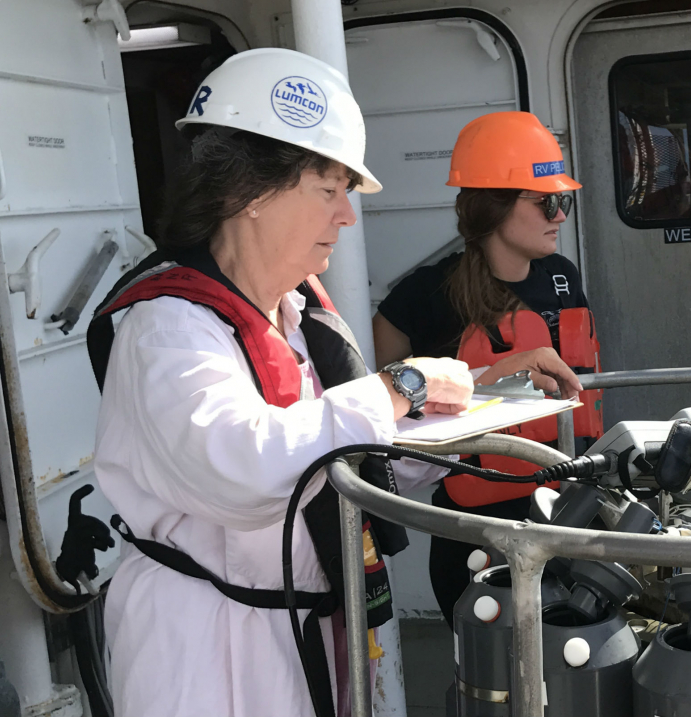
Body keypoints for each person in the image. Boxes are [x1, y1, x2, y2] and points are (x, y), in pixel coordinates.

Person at [87, 49, 476, 717]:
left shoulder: (293, 319)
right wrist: (398, 385)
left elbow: (334, 460)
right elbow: (250, 469)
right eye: (328, 190)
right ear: (249, 191)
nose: (346, 217)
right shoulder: (167, 329)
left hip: (302, 630)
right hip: (205, 650)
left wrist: (450, 436)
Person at [372, 111, 599, 626]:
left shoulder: (562, 277)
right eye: (546, 202)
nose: (560, 215)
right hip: (476, 530)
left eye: (563, 201)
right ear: (493, 208)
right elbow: (382, 408)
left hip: (569, 508)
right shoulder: (425, 296)